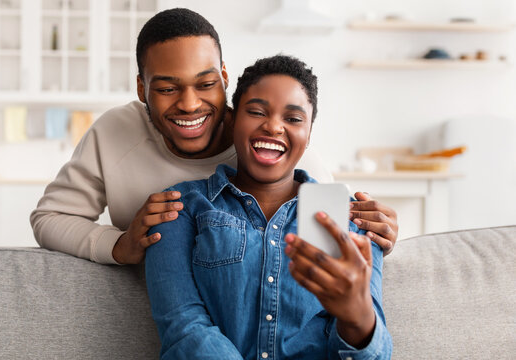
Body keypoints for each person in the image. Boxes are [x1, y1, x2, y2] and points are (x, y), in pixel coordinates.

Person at [30, 8, 398, 265]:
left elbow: (332, 244)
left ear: (224, 76)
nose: (190, 105)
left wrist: (375, 235)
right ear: (142, 88)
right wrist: (119, 245)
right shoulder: (114, 133)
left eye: (206, 84)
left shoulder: (269, 146)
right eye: (167, 88)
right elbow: (50, 217)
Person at [145, 55, 392, 359]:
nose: (274, 126)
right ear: (231, 120)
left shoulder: (351, 218)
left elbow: (376, 354)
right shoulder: (180, 208)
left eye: (293, 118)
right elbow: (183, 329)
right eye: (257, 111)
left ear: (309, 133)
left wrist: (359, 318)